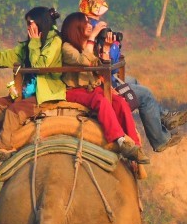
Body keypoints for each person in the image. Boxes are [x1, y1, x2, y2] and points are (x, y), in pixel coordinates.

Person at [78, 0, 187, 152]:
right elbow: (96, 60)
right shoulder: (87, 30)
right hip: (98, 81)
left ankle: (164, 116)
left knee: (133, 81)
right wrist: (105, 45)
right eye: (97, 15)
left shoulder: (81, 26)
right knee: (145, 95)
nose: (98, 20)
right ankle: (160, 140)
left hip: (104, 75)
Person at [0, 6, 65, 164]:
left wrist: (35, 43)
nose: (28, 27)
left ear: (41, 23)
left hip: (45, 94)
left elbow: (41, 65)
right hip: (27, 92)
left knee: (14, 111)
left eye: (30, 23)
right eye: (27, 24)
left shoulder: (55, 42)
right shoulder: (27, 46)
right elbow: (1, 59)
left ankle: (1, 147)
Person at [60, 11, 149, 164]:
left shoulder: (87, 44)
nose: (90, 26)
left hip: (92, 88)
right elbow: (84, 61)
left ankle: (135, 147)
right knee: (100, 101)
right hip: (74, 90)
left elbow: (102, 68)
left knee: (120, 102)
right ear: (76, 28)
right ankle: (119, 139)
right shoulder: (67, 47)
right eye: (86, 23)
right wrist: (93, 37)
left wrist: (106, 49)